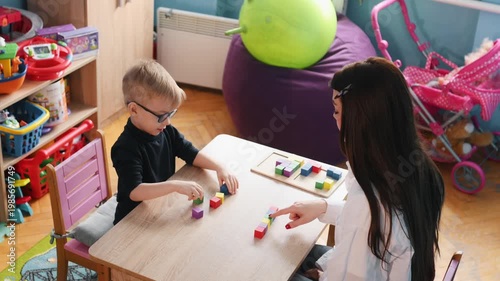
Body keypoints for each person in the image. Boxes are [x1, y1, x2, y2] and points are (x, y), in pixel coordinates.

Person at [271, 57, 445, 281]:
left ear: (359, 121)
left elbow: (353, 264)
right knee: (294, 250)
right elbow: (372, 228)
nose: (334, 117)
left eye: (336, 110)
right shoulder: (420, 167)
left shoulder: (368, 201)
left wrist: (320, 276)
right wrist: (324, 207)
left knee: (272, 268)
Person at [112, 60, 239, 225]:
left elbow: (191, 153)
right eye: (162, 116)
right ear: (134, 110)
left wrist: (219, 167)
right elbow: (135, 191)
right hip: (131, 220)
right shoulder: (125, 148)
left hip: (161, 208)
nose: (167, 123)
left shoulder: (165, 130)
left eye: (170, 114)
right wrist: (174, 186)